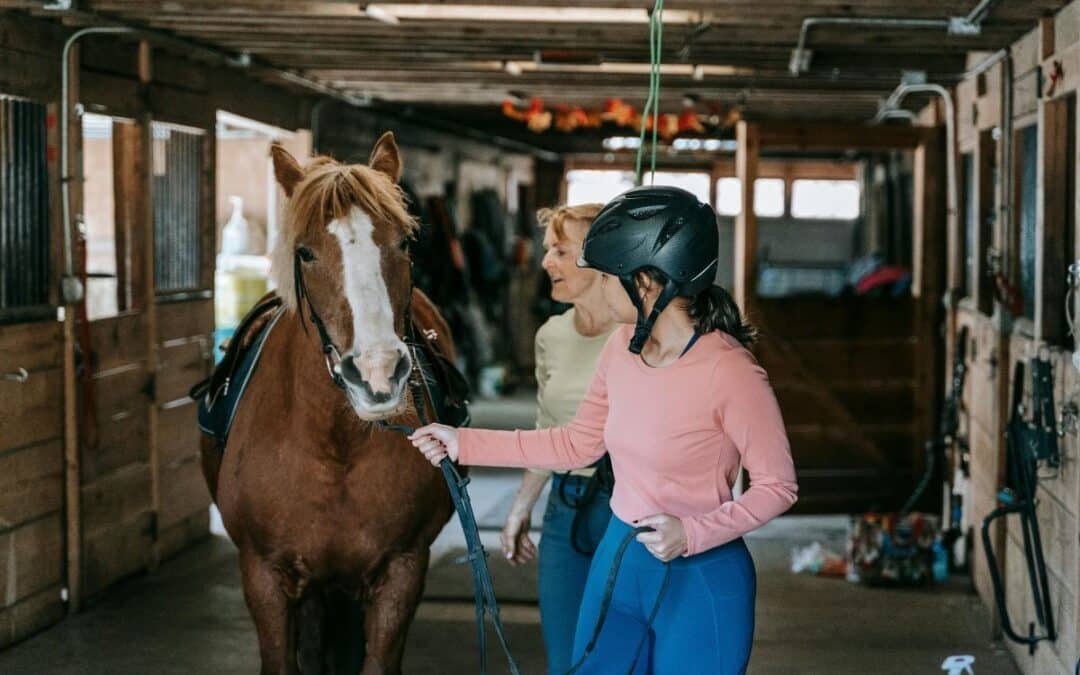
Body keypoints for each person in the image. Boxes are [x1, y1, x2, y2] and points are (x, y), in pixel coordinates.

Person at [411, 186, 798, 675]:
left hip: (699, 576)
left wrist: (694, 532)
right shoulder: (621, 347)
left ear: (647, 283)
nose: (595, 284)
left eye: (607, 275)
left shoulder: (731, 371)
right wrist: (462, 440)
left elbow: (778, 486)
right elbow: (576, 442)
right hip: (618, 561)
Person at [501, 203, 616, 675]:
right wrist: (520, 508)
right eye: (548, 250)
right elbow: (547, 429)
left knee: (621, 656)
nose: (546, 261)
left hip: (629, 509)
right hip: (565, 507)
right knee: (565, 661)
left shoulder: (640, 334)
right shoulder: (551, 334)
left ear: (602, 258)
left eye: (560, 251)